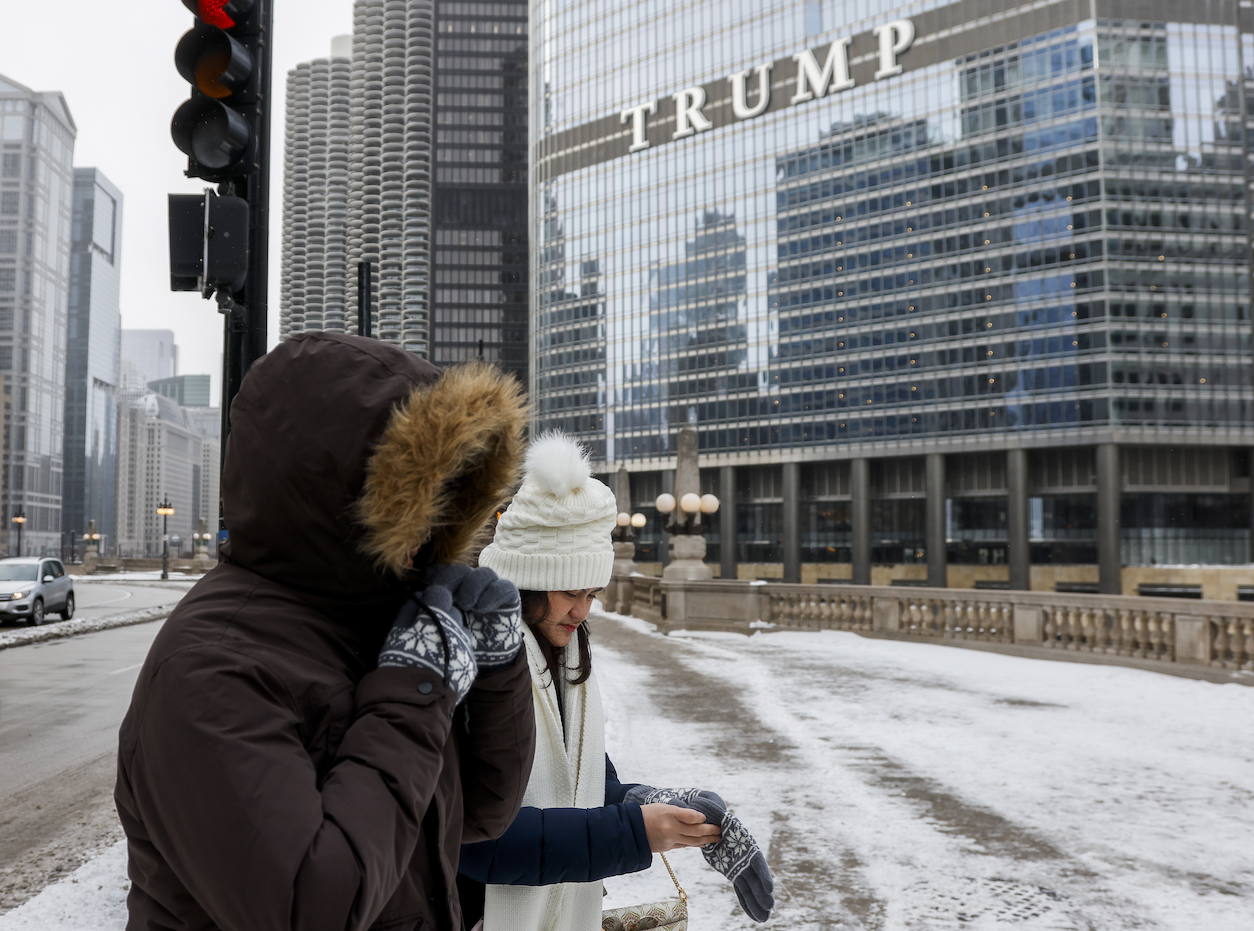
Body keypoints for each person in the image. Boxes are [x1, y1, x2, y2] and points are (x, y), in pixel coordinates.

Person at [115, 332, 538, 930]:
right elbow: (316, 908)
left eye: (447, 495)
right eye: (417, 495)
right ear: (340, 495)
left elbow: (479, 812)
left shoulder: (374, 623)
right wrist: (413, 689)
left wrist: (496, 670)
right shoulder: (209, 668)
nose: (434, 520)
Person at [456, 433, 774, 930]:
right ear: (526, 583)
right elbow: (472, 842)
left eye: (592, 592)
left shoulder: (563, 653)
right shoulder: (471, 662)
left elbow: (580, 784)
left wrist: (650, 803)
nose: (582, 610)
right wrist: (635, 831)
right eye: (569, 592)